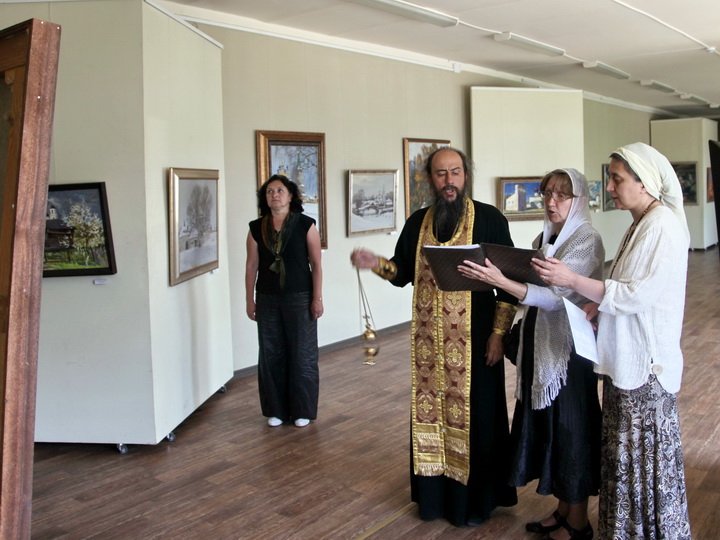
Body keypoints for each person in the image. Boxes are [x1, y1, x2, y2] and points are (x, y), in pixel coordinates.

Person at [350, 147, 518, 526]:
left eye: (455, 172)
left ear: (465, 175)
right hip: (429, 349)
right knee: (431, 416)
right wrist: (375, 263)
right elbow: (401, 273)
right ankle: (434, 500)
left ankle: (476, 503)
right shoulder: (418, 222)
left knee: (479, 421)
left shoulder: (489, 219)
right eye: (441, 174)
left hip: (477, 343)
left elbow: (508, 283)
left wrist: (498, 335)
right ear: (430, 179)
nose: (449, 181)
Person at [533, 143, 691, 539]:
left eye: (617, 179)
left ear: (644, 183)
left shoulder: (660, 225)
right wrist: (598, 306)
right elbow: (627, 290)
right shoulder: (642, 223)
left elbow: (635, 294)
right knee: (628, 463)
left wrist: (571, 280)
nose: (610, 187)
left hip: (646, 371)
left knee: (642, 466)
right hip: (629, 366)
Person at [458, 169, 604, 540]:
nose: (552, 202)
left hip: (568, 353)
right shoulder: (546, 237)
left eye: (562, 195)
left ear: (579, 201)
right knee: (551, 429)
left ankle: (579, 522)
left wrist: (502, 282)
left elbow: (556, 299)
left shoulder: (586, 238)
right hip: (541, 345)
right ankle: (564, 510)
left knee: (570, 431)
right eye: (547, 194)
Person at [245, 174, 323, 428]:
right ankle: (276, 410)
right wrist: (249, 300)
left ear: (290, 196)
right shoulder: (256, 228)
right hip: (267, 298)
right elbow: (251, 266)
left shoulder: (306, 225)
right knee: (271, 354)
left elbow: (316, 265)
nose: (274, 195)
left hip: (300, 297)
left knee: (303, 353)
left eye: (279, 190)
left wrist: (317, 298)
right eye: (269, 192)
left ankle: (302, 410)